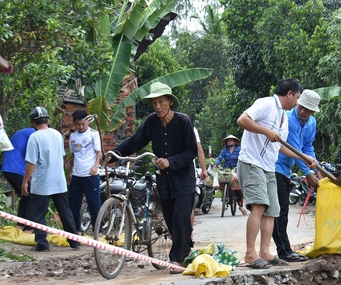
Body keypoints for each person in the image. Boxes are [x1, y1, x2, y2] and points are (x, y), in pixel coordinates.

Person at [110, 82, 202, 272]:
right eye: (154, 104)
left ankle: (177, 258)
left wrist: (171, 161)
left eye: (161, 102)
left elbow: (191, 150)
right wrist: (115, 153)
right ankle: (183, 248)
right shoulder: (152, 122)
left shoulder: (183, 121)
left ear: (170, 101)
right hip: (165, 180)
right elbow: (135, 141)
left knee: (180, 217)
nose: (158, 107)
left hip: (184, 179)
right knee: (169, 217)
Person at [236, 78, 316, 269]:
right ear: (289, 94)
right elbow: (242, 120)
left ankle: (265, 252)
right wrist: (266, 131)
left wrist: (303, 157)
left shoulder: (284, 117)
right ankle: (250, 254)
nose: (297, 102)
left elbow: (281, 147)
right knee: (259, 206)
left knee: (272, 211)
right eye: (297, 97)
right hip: (251, 162)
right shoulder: (265, 104)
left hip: (269, 167)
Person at [21, 107, 80, 252]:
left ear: (33, 122)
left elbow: (31, 162)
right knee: (65, 212)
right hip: (58, 180)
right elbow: (61, 156)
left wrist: (25, 181)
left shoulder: (35, 137)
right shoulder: (57, 135)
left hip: (42, 182)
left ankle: (42, 243)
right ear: (48, 120)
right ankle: (74, 241)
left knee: (39, 213)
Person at [272, 89, 321, 263]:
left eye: (308, 110)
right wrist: (308, 174)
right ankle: (284, 251)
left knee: (281, 210)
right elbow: (295, 149)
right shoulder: (289, 119)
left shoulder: (311, 123)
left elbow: (307, 148)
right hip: (275, 166)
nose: (303, 111)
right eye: (301, 107)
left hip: (286, 169)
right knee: (280, 211)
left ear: (313, 111)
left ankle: (284, 249)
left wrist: (317, 169)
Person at [67, 109, 102, 235]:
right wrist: (70, 172)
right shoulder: (73, 137)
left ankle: (97, 230)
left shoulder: (94, 134)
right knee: (73, 204)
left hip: (90, 175)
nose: (81, 127)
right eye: (78, 124)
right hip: (77, 175)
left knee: (94, 204)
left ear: (87, 122)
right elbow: (73, 156)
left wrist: (95, 166)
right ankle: (77, 229)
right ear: (74, 124)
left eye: (83, 124)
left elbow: (99, 153)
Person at [2, 126, 35, 229]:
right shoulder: (33, 133)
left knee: (25, 195)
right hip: (15, 168)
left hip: (9, 167)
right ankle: (28, 228)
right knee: (31, 195)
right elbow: (32, 154)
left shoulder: (25, 131)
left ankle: (20, 225)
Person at [215, 134, 247, 215]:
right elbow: (219, 158)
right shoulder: (224, 150)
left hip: (236, 169)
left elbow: (241, 158)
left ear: (234, 141)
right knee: (221, 182)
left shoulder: (238, 150)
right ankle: (224, 198)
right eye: (228, 140)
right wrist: (216, 164)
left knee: (238, 185)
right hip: (226, 169)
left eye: (231, 140)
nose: (230, 142)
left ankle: (240, 203)